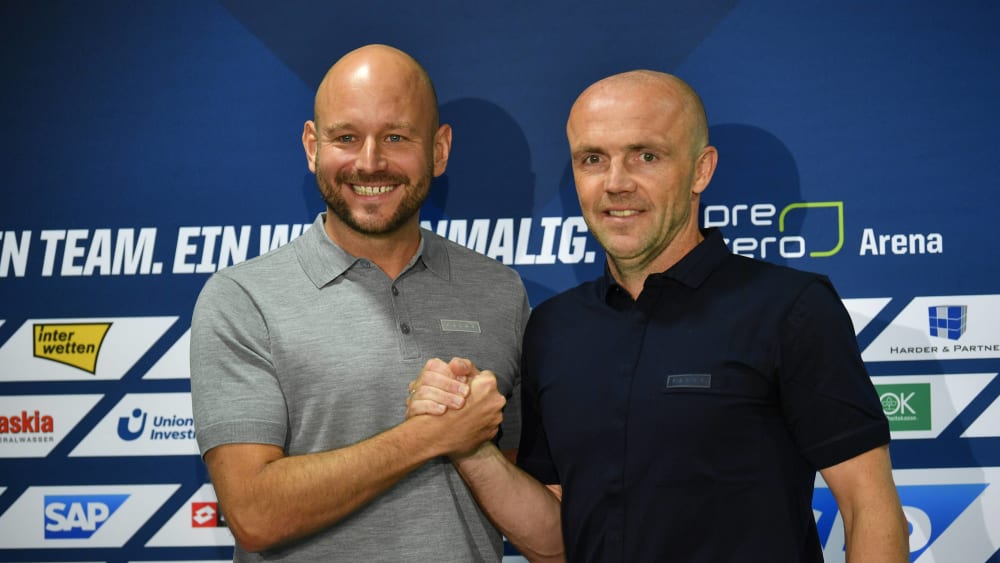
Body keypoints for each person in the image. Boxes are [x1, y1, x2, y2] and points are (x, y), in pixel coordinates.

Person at [407, 70, 910, 562]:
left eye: (646, 156)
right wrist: (469, 445)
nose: (616, 183)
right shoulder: (553, 328)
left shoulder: (790, 307)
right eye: (592, 159)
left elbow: (869, 508)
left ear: (701, 169)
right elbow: (556, 538)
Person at [189, 44, 529, 561]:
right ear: (312, 146)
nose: (370, 162)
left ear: (439, 150)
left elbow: (517, 493)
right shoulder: (242, 299)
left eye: (396, 136)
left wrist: (464, 442)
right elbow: (254, 514)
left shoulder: (501, 292)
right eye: (346, 138)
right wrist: (427, 437)